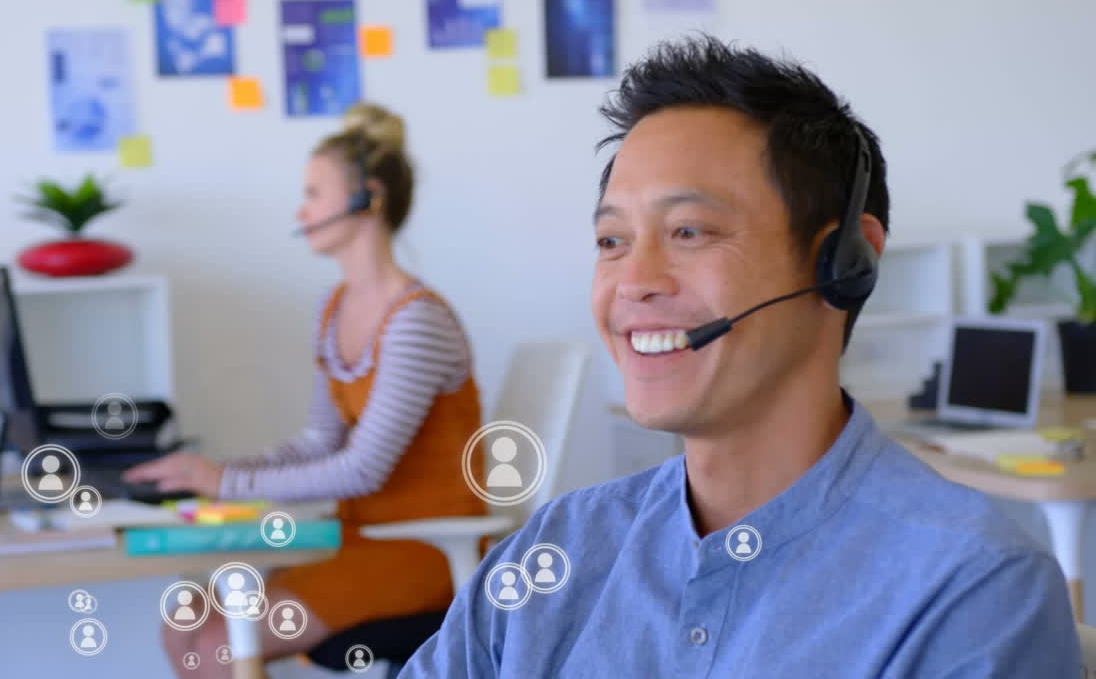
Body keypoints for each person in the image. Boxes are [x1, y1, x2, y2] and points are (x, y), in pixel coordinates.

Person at [399, 35, 1080, 677]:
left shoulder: (973, 589)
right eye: (612, 241)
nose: (633, 281)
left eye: (687, 231)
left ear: (845, 263)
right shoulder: (561, 547)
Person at [123, 103, 486, 679]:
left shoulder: (416, 321)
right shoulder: (333, 308)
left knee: (214, 641)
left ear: (365, 197)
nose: (302, 209)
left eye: (314, 192)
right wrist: (208, 472)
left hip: (424, 549)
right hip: (357, 541)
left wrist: (225, 483)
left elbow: (362, 469)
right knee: (186, 620)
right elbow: (319, 441)